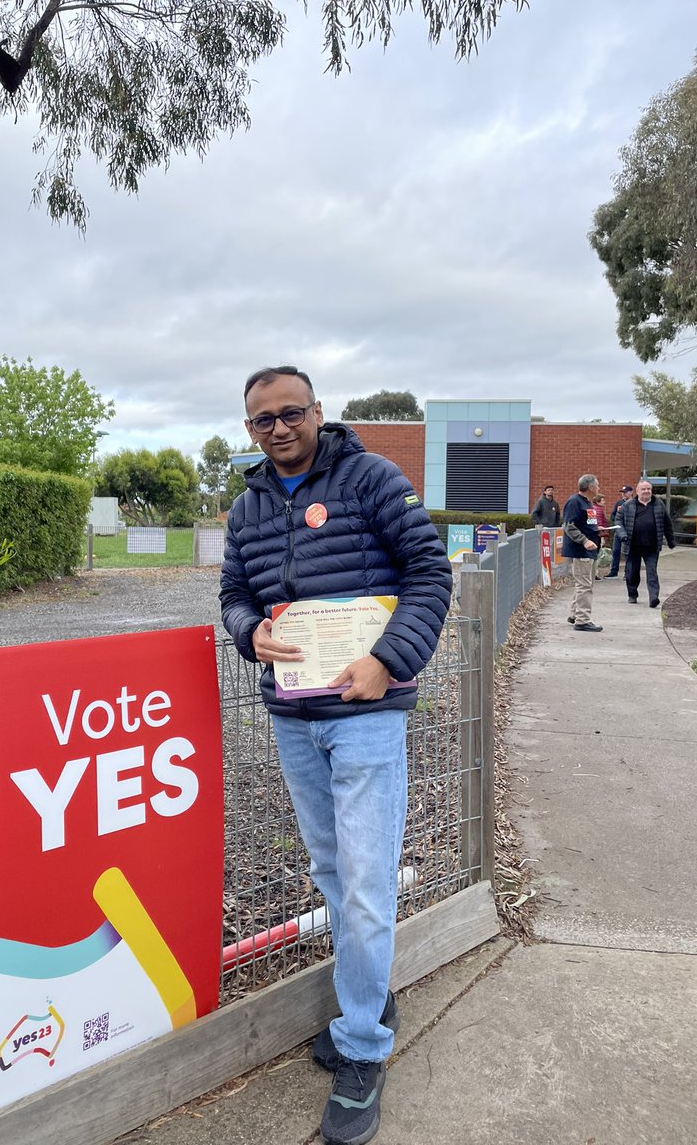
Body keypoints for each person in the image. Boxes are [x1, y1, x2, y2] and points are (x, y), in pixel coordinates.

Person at [220, 365, 452, 1145]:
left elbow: (429, 573)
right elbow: (233, 594)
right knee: (331, 871)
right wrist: (247, 630)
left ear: (319, 411)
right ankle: (370, 996)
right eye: (262, 420)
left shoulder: (372, 478)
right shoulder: (247, 505)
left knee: (363, 880)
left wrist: (388, 659)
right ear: (249, 429)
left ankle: (362, 1047)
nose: (278, 428)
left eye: (291, 412)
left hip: (365, 713)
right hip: (293, 716)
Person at [615, 479, 676, 607]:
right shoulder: (628, 505)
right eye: (644, 489)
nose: (647, 491)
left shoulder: (659, 504)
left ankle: (654, 597)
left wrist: (671, 541)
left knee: (652, 571)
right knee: (632, 572)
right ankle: (632, 594)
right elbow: (618, 522)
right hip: (632, 545)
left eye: (649, 489)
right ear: (637, 491)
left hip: (652, 546)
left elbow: (667, 523)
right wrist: (623, 535)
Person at [561, 474, 603, 632]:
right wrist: (584, 540)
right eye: (597, 485)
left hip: (590, 550)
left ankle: (575, 614)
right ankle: (583, 620)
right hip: (581, 551)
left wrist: (597, 530)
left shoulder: (588, 503)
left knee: (585, 584)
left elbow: (588, 523)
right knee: (584, 585)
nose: (599, 487)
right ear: (591, 487)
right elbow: (569, 526)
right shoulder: (574, 502)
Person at [604, 485, 635, 577]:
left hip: (629, 532)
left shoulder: (634, 503)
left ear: (631, 492)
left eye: (625, 492)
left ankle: (628, 573)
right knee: (616, 551)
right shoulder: (619, 503)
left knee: (628, 553)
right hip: (618, 531)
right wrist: (617, 520)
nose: (623, 494)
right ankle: (614, 571)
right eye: (622, 492)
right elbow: (613, 515)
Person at [591, 495, 610, 580]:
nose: (604, 502)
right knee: (595, 555)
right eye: (602, 500)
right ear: (598, 502)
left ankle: (593, 574)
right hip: (597, 535)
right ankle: (593, 574)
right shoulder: (599, 510)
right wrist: (603, 536)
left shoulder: (592, 509)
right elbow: (600, 524)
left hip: (592, 535)